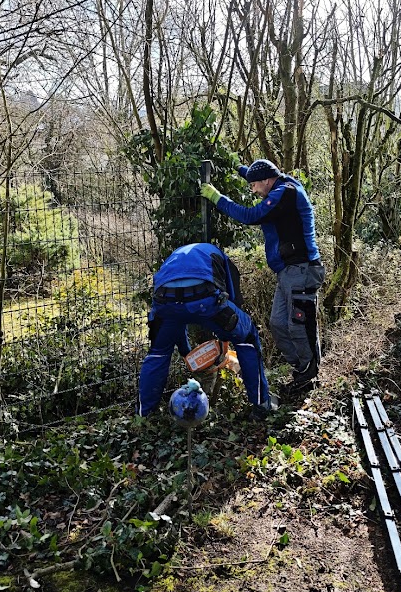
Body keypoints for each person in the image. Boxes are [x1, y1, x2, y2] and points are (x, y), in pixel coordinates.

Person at [201, 159, 324, 397]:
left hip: (302, 268)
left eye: (254, 186)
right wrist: (233, 164)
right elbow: (256, 174)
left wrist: (217, 198)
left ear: (267, 181)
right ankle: (301, 369)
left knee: (298, 324)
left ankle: (309, 375)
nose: (253, 191)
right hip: (287, 272)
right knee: (278, 323)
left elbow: (251, 215)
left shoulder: (285, 193)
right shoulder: (275, 183)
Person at [137, 242, 277, 420]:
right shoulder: (220, 256)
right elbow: (233, 300)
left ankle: (143, 416)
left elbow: (177, 315)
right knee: (247, 337)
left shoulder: (174, 257)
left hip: (165, 302)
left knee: (157, 353)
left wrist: (186, 352)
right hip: (205, 299)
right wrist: (226, 338)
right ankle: (261, 405)